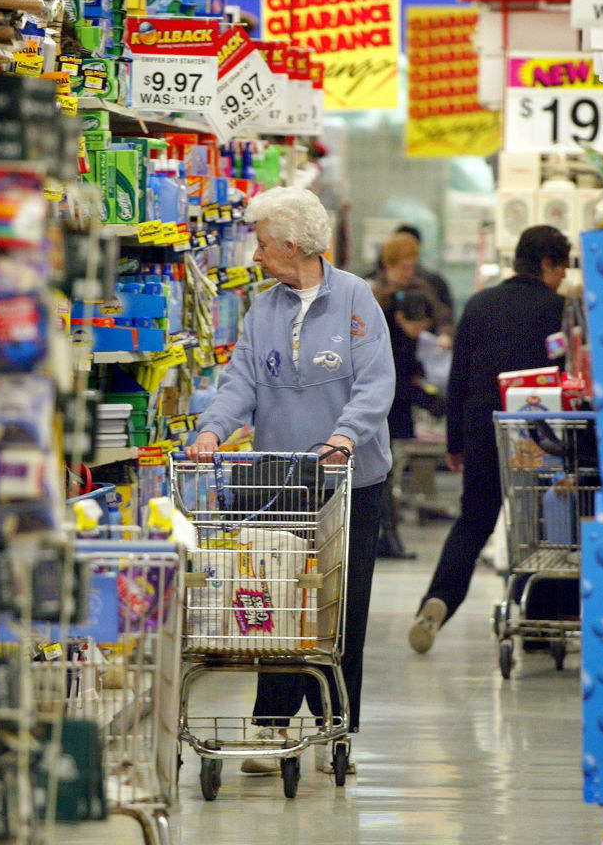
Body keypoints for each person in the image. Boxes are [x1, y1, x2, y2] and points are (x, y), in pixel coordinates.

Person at [186, 185, 395, 775]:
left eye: (261, 243)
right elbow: (240, 382)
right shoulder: (263, 309)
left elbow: (376, 382)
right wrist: (213, 431)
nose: (255, 256)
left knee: (340, 606)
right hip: (279, 479)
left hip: (350, 480)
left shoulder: (356, 300)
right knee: (275, 602)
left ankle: (338, 730)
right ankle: (272, 725)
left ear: (293, 244)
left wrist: (346, 436)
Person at [408, 224, 571, 654]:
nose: (565, 277)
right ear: (548, 264)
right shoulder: (560, 310)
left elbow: (458, 380)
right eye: (563, 266)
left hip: (485, 432)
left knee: (473, 522)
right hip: (542, 437)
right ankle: (537, 626)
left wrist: (455, 444)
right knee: (545, 530)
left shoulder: (479, 305)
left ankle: (437, 599)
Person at [377, 288, 446, 559]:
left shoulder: (405, 338)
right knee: (383, 476)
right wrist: (423, 395)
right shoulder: (387, 338)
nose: (419, 331)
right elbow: (396, 382)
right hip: (384, 415)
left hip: (395, 413)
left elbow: (411, 372)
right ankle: (388, 538)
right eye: (415, 325)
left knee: (387, 476)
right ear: (400, 317)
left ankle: (390, 538)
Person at [368, 230, 453, 338]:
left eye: (413, 267)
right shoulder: (375, 294)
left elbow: (443, 318)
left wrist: (444, 334)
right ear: (389, 265)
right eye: (404, 267)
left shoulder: (422, 289)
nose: (409, 273)